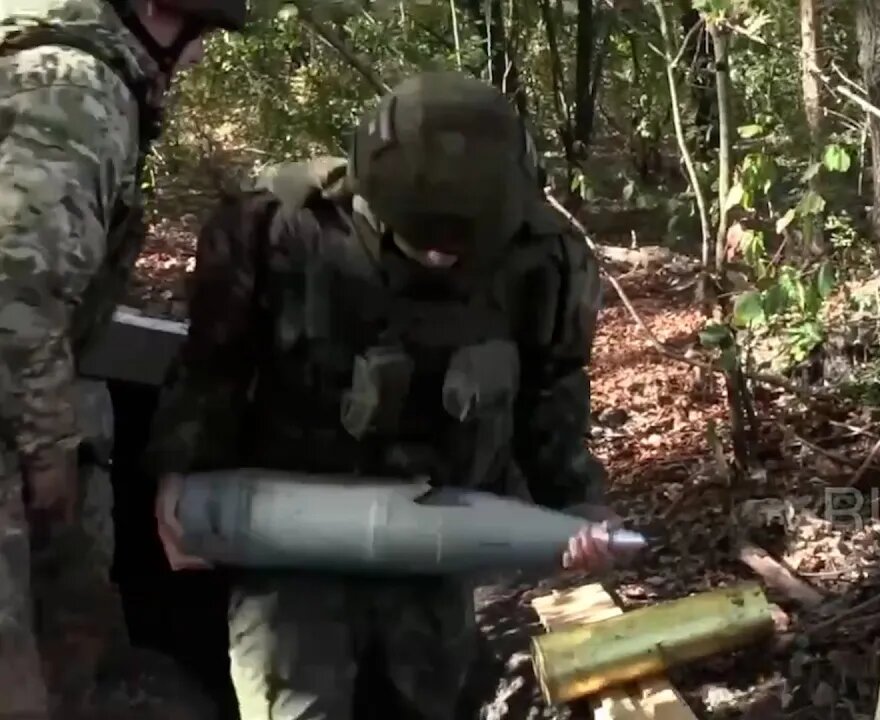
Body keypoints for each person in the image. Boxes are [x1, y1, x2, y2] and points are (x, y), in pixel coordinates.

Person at [145, 69, 620, 720]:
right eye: (418, 238)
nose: (437, 259)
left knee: (426, 703)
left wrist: (575, 504)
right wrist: (182, 473)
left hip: (440, 537)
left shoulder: (545, 264)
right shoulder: (279, 227)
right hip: (292, 535)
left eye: (460, 245)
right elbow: (213, 362)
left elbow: (553, 391)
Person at [0, 0, 246, 717]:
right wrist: (49, 468)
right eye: (191, 31)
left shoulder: (39, 62)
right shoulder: (74, 90)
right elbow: (14, 305)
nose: (198, 57)